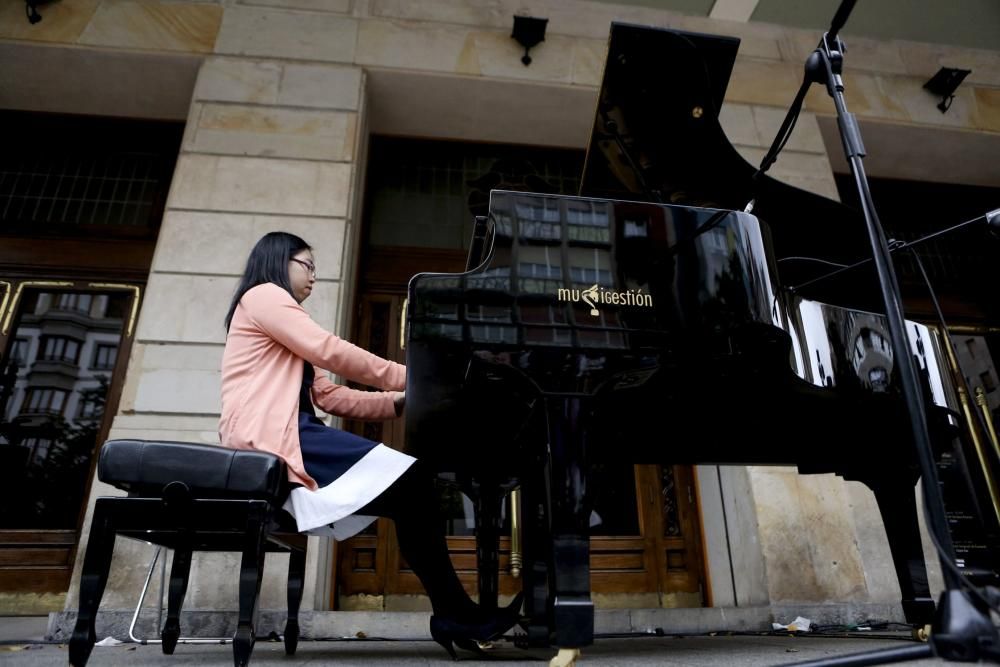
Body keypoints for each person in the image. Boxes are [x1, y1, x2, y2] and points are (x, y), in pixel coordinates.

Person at [219, 232, 519, 658]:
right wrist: (413, 376)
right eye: (307, 266)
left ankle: (456, 614)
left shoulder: (278, 315)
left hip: (290, 429)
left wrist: (400, 401)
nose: (313, 278)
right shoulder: (264, 295)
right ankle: (457, 614)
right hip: (269, 433)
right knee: (413, 480)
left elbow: (329, 396)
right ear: (278, 261)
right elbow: (329, 349)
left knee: (411, 492)